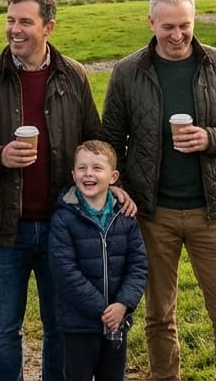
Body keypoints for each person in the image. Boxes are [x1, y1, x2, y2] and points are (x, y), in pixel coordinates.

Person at [100, 0, 216, 381]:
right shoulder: (127, 72)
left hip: (212, 211)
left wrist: (210, 138)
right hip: (153, 214)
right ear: (151, 21)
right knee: (158, 314)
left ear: (194, 20)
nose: (177, 35)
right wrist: (116, 185)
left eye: (185, 25)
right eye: (168, 26)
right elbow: (110, 140)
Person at [0, 0, 105, 381]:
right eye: (9, 20)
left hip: (62, 227)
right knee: (5, 328)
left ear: (48, 27)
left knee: (59, 327)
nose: (14, 30)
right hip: (3, 228)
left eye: (25, 22)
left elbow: (93, 139)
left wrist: (98, 183)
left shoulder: (73, 76)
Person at [49, 140, 148, 381]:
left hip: (117, 322)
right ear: (73, 175)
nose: (89, 174)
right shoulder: (64, 218)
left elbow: (138, 265)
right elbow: (65, 272)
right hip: (78, 324)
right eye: (82, 168)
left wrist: (123, 304)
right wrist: (102, 309)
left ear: (113, 176)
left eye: (97, 168)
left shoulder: (125, 217)